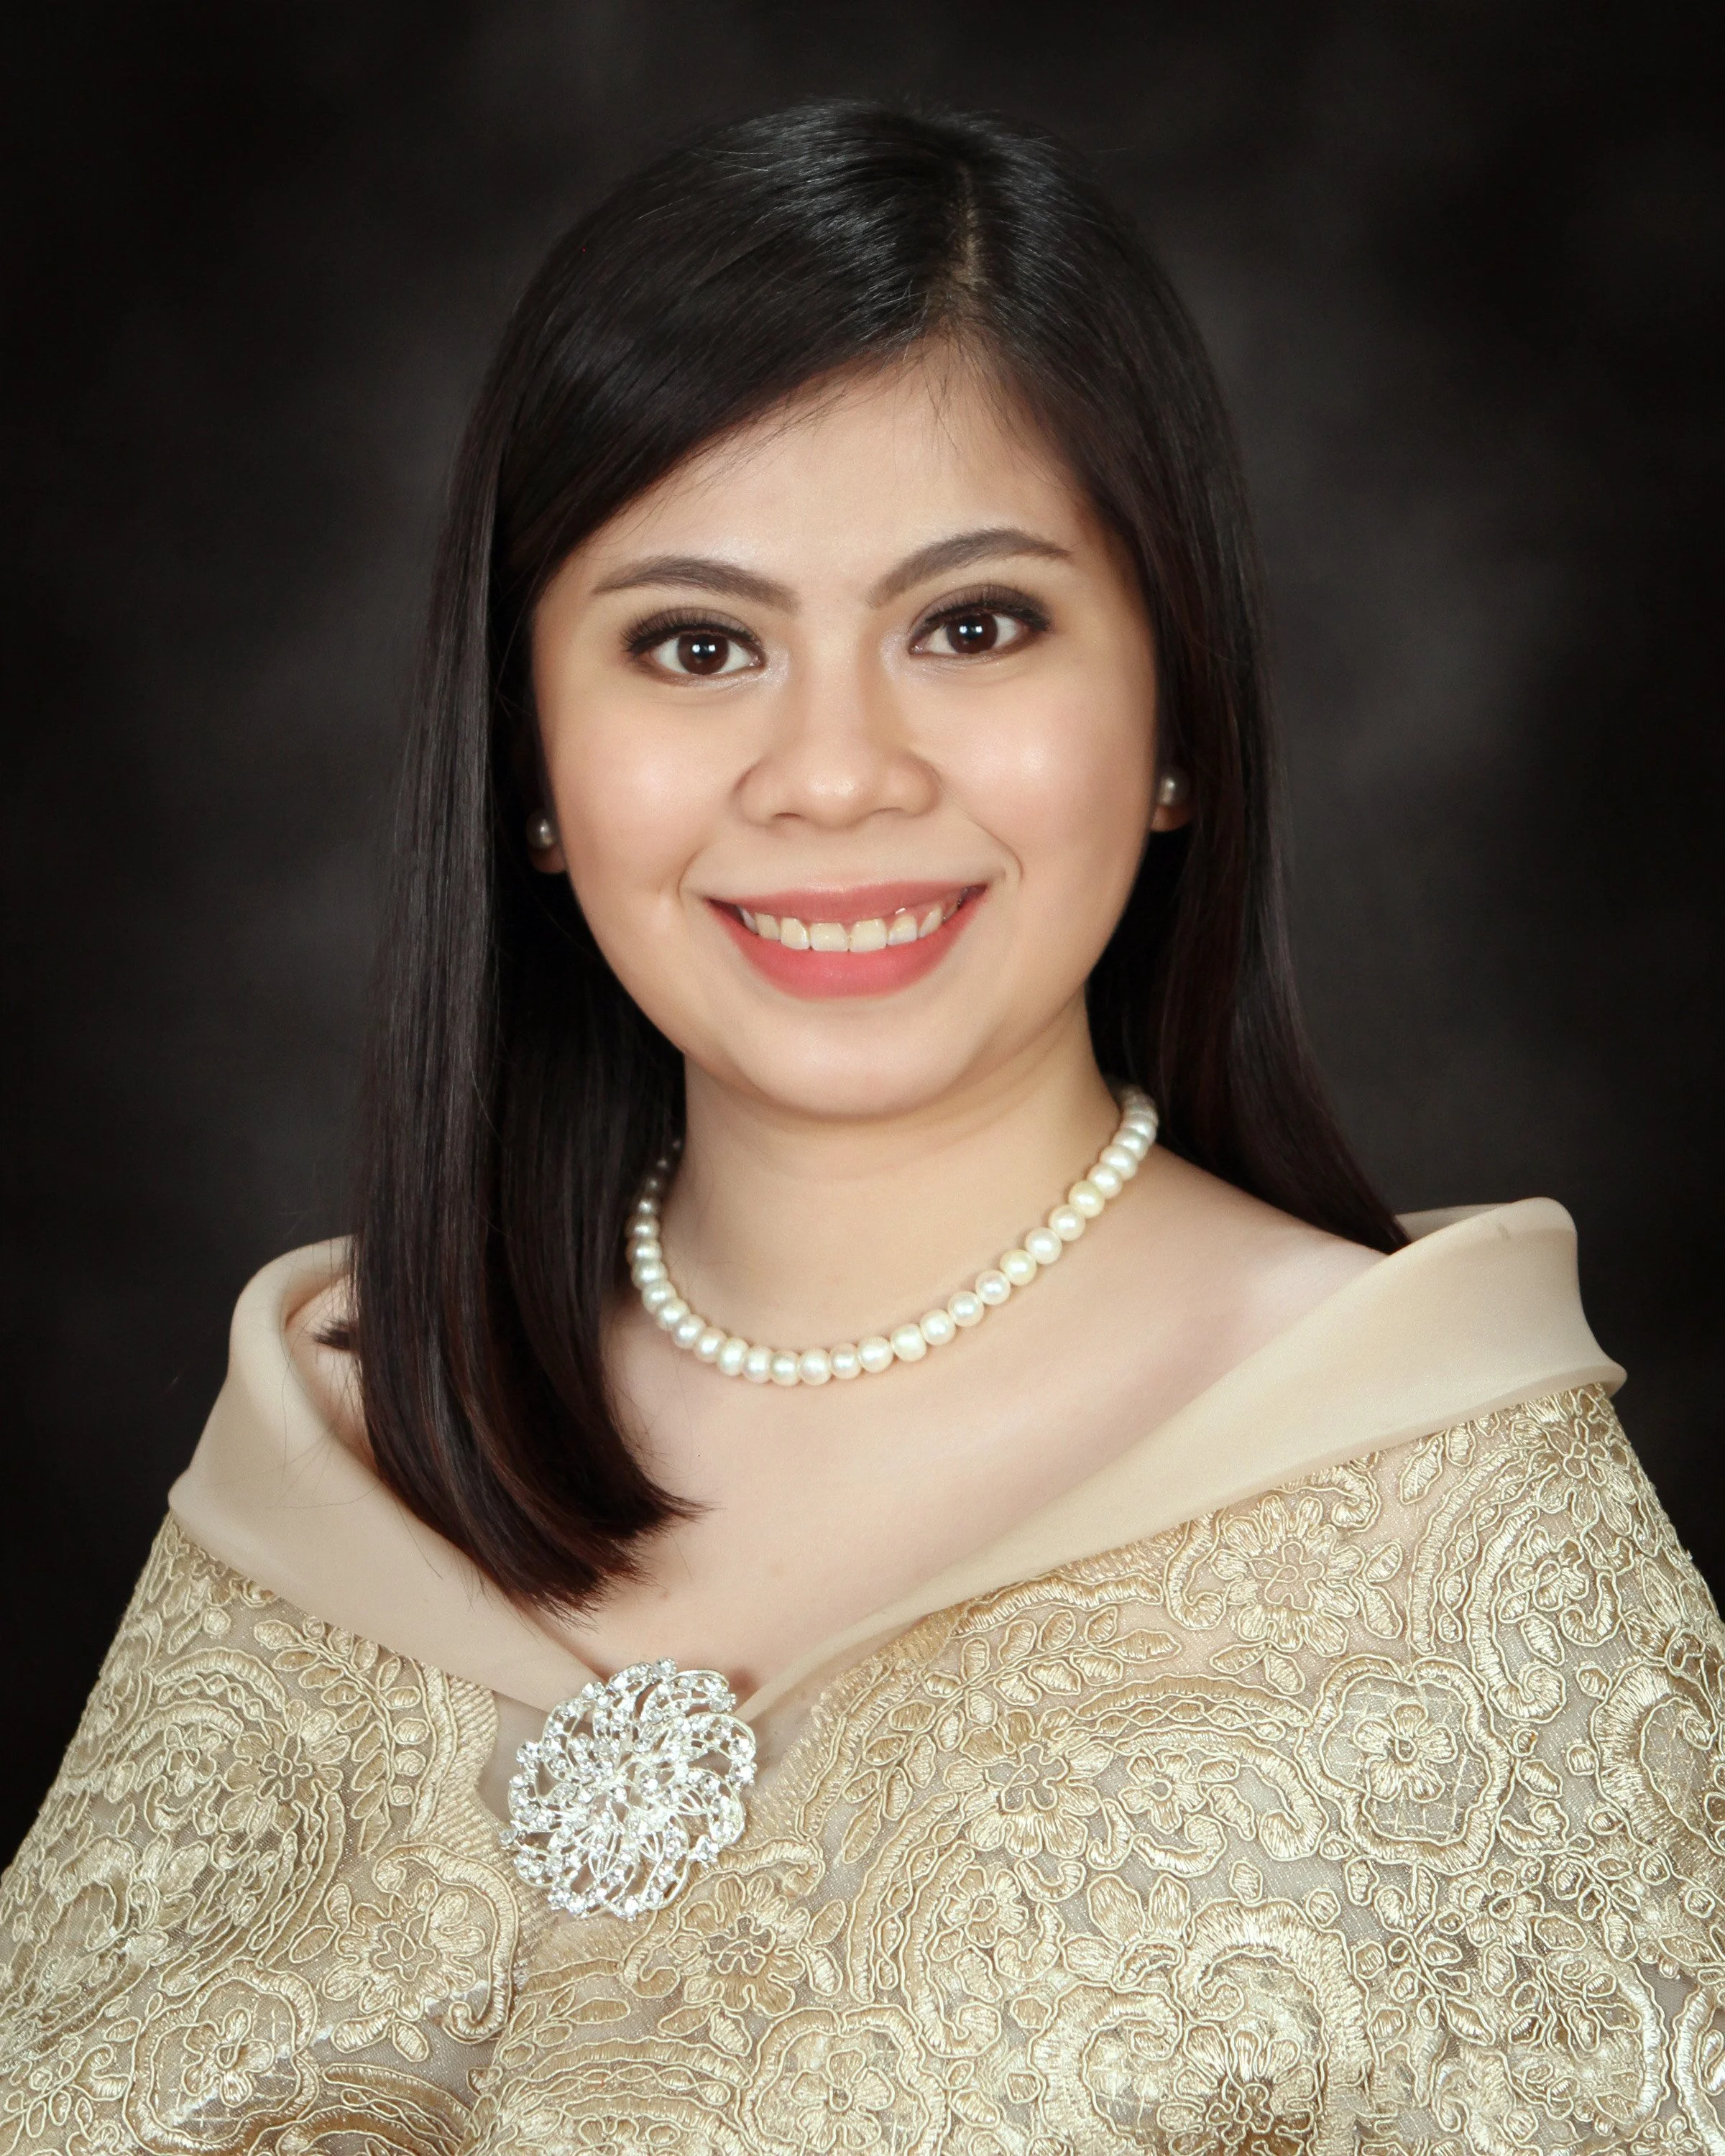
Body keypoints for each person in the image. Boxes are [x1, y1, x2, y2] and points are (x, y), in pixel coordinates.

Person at [3, 98, 1719, 2155]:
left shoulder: (1456, 1509)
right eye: (696, 644)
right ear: (527, 762)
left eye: (972, 624)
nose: (833, 776)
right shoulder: (331, 1451)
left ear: (1175, 720)